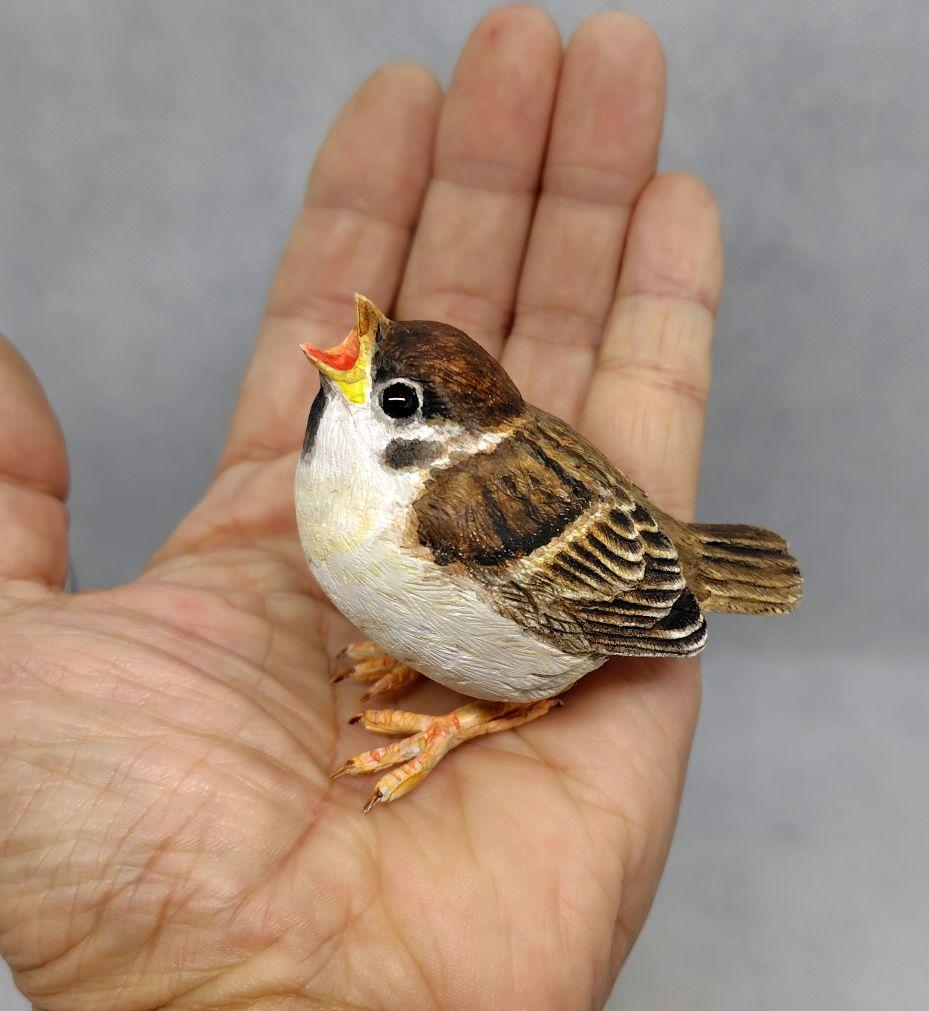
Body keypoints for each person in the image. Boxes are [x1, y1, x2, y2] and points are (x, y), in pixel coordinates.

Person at [0, 6, 722, 1007]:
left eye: (387, 392)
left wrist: (456, 719)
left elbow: (569, 617)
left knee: (504, 673)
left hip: (600, 598)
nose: (352, 351)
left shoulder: (444, 515)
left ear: (420, 435)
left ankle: (468, 717)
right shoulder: (349, 479)